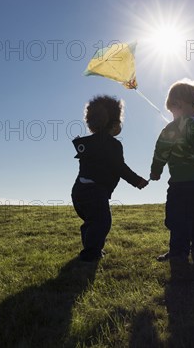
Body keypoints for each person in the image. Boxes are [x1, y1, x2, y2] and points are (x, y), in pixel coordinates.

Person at [150, 79, 194, 262]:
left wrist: (155, 171)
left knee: (178, 218)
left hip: (181, 184)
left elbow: (161, 150)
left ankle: (179, 253)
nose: (172, 115)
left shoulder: (173, 127)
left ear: (177, 105)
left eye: (172, 110)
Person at [71, 95, 148, 262]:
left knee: (92, 221)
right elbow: (120, 168)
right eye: (119, 122)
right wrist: (138, 181)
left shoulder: (89, 144)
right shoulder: (113, 144)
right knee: (102, 221)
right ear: (113, 124)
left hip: (79, 191)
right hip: (95, 192)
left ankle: (91, 249)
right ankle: (91, 253)